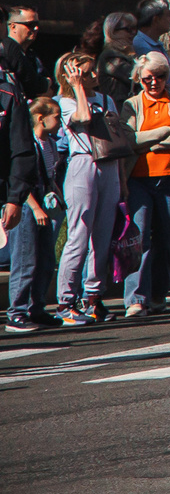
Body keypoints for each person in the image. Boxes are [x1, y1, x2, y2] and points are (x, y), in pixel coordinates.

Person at [53, 51, 129, 325]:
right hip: (83, 165)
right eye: (87, 73)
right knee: (79, 235)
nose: (95, 76)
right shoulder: (66, 102)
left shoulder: (106, 99)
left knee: (103, 235)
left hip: (108, 165)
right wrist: (76, 88)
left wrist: (121, 180)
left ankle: (93, 297)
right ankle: (65, 301)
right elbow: (83, 118)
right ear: (72, 76)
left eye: (93, 71)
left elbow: (116, 139)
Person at [119, 51, 170, 318]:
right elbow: (129, 139)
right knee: (138, 238)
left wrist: (149, 142)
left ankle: (159, 293)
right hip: (138, 180)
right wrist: (164, 132)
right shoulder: (131, 105)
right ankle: (136, 299)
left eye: (160, 76)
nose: (154, 82)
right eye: (148, 78)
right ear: (139, 78)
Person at [9, 94, 64, 332]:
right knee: (25, 257)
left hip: (45, 200)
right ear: (40, 118)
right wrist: (35, 206)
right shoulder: (27, 143)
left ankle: (37, 308)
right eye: (57, 117)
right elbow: (20, 180)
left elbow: (50, 175)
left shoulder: (50, 143)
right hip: (28, 204)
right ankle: (16, 312)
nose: (60, 122)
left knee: (45, 258)